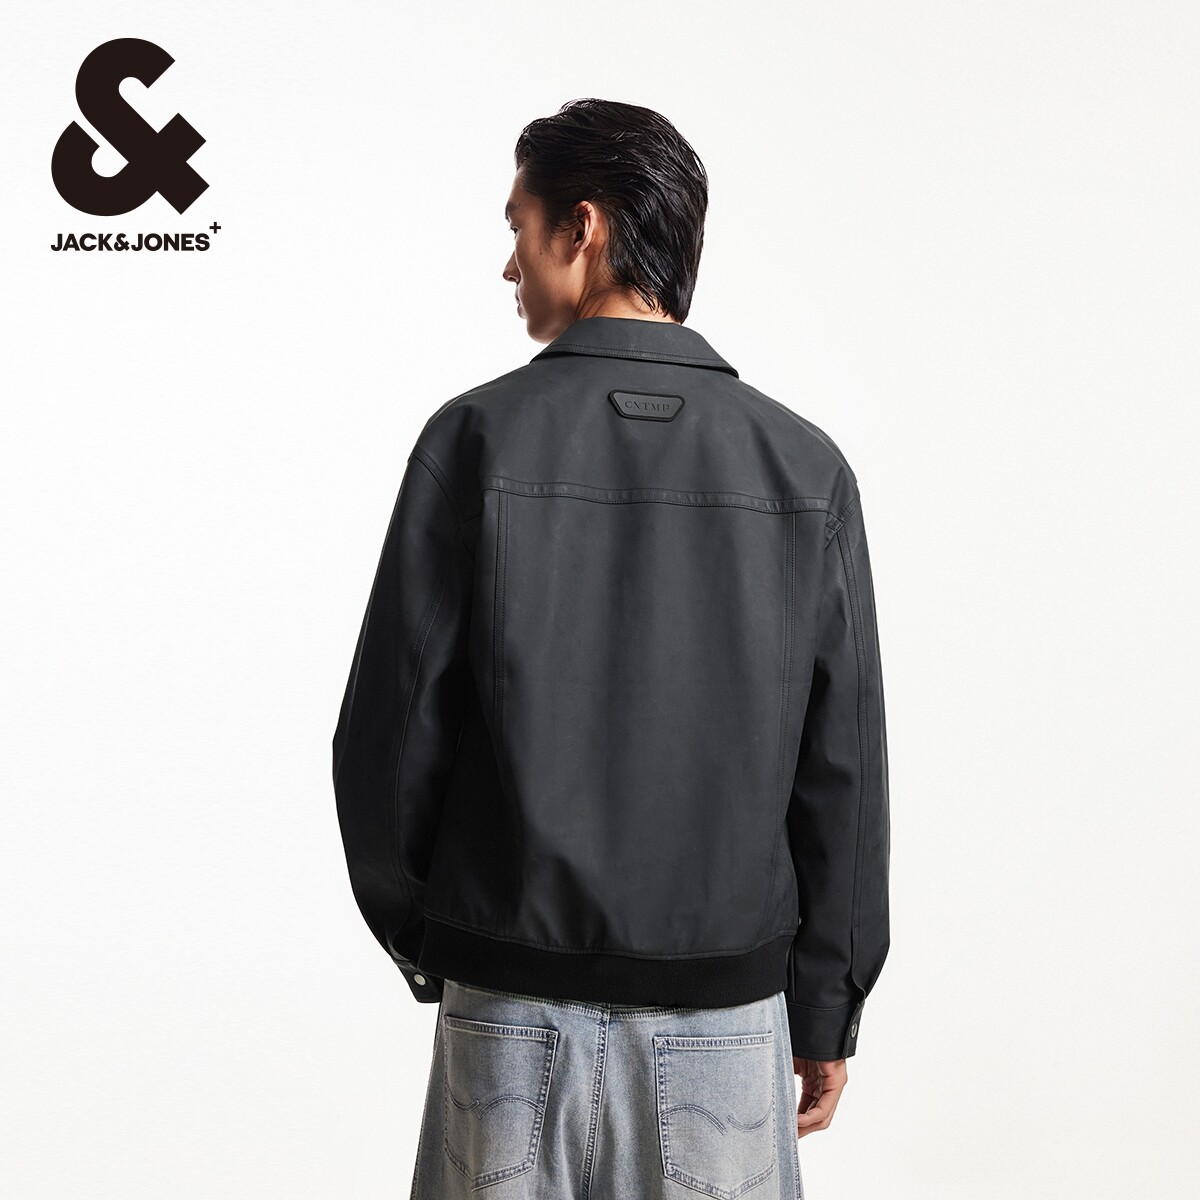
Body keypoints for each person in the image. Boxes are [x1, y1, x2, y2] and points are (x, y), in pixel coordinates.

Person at [332, 98, 890, 1200]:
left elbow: (386, 742)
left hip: (507, 1009)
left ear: (580, 227)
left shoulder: (473, 441)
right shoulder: (805, 469)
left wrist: (442, 936)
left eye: (518, 227)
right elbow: (844, 776)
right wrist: (826, 1004)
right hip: (725, 1023)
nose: (509, 264)